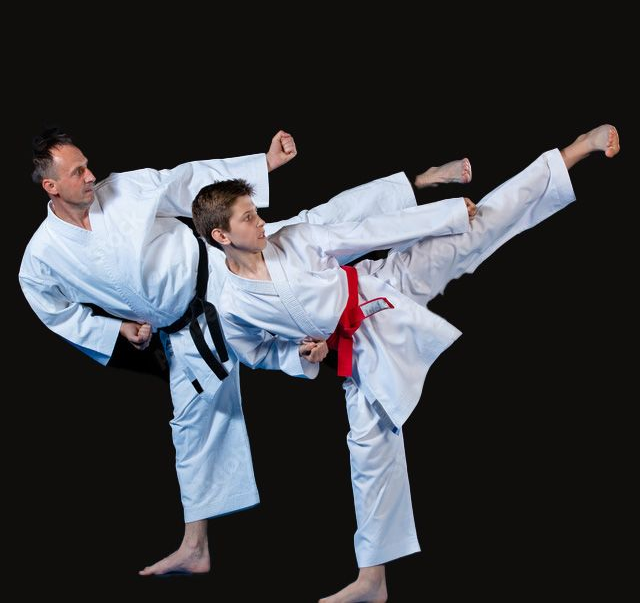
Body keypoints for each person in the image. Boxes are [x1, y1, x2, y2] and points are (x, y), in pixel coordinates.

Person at [191, 124, 620, 602]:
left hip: (383, 288)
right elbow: (256, 352)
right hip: (357, 351)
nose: (261, 223)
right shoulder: (233, 306)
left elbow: (367, 232)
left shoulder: (293, 239)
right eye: (249, 218)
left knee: (474, 231)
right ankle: (372, 580)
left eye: (256, 212)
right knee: (369, 449)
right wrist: (300, 353)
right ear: (221, 235)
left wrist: (446, 214)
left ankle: (573, 151)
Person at [18, 128, 469, 576]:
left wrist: (263, 164)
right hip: (185, 330)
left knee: (319, 224)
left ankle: (418, 183)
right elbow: (53, 309)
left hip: (222, 269)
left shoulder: (123, 190)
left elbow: (188, 180)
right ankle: (195, 548)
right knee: (192, 426)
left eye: (87, 165)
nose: (91, 176)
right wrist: (115, 327)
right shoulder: (42, 256)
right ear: (51, 186)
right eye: (78, 172)